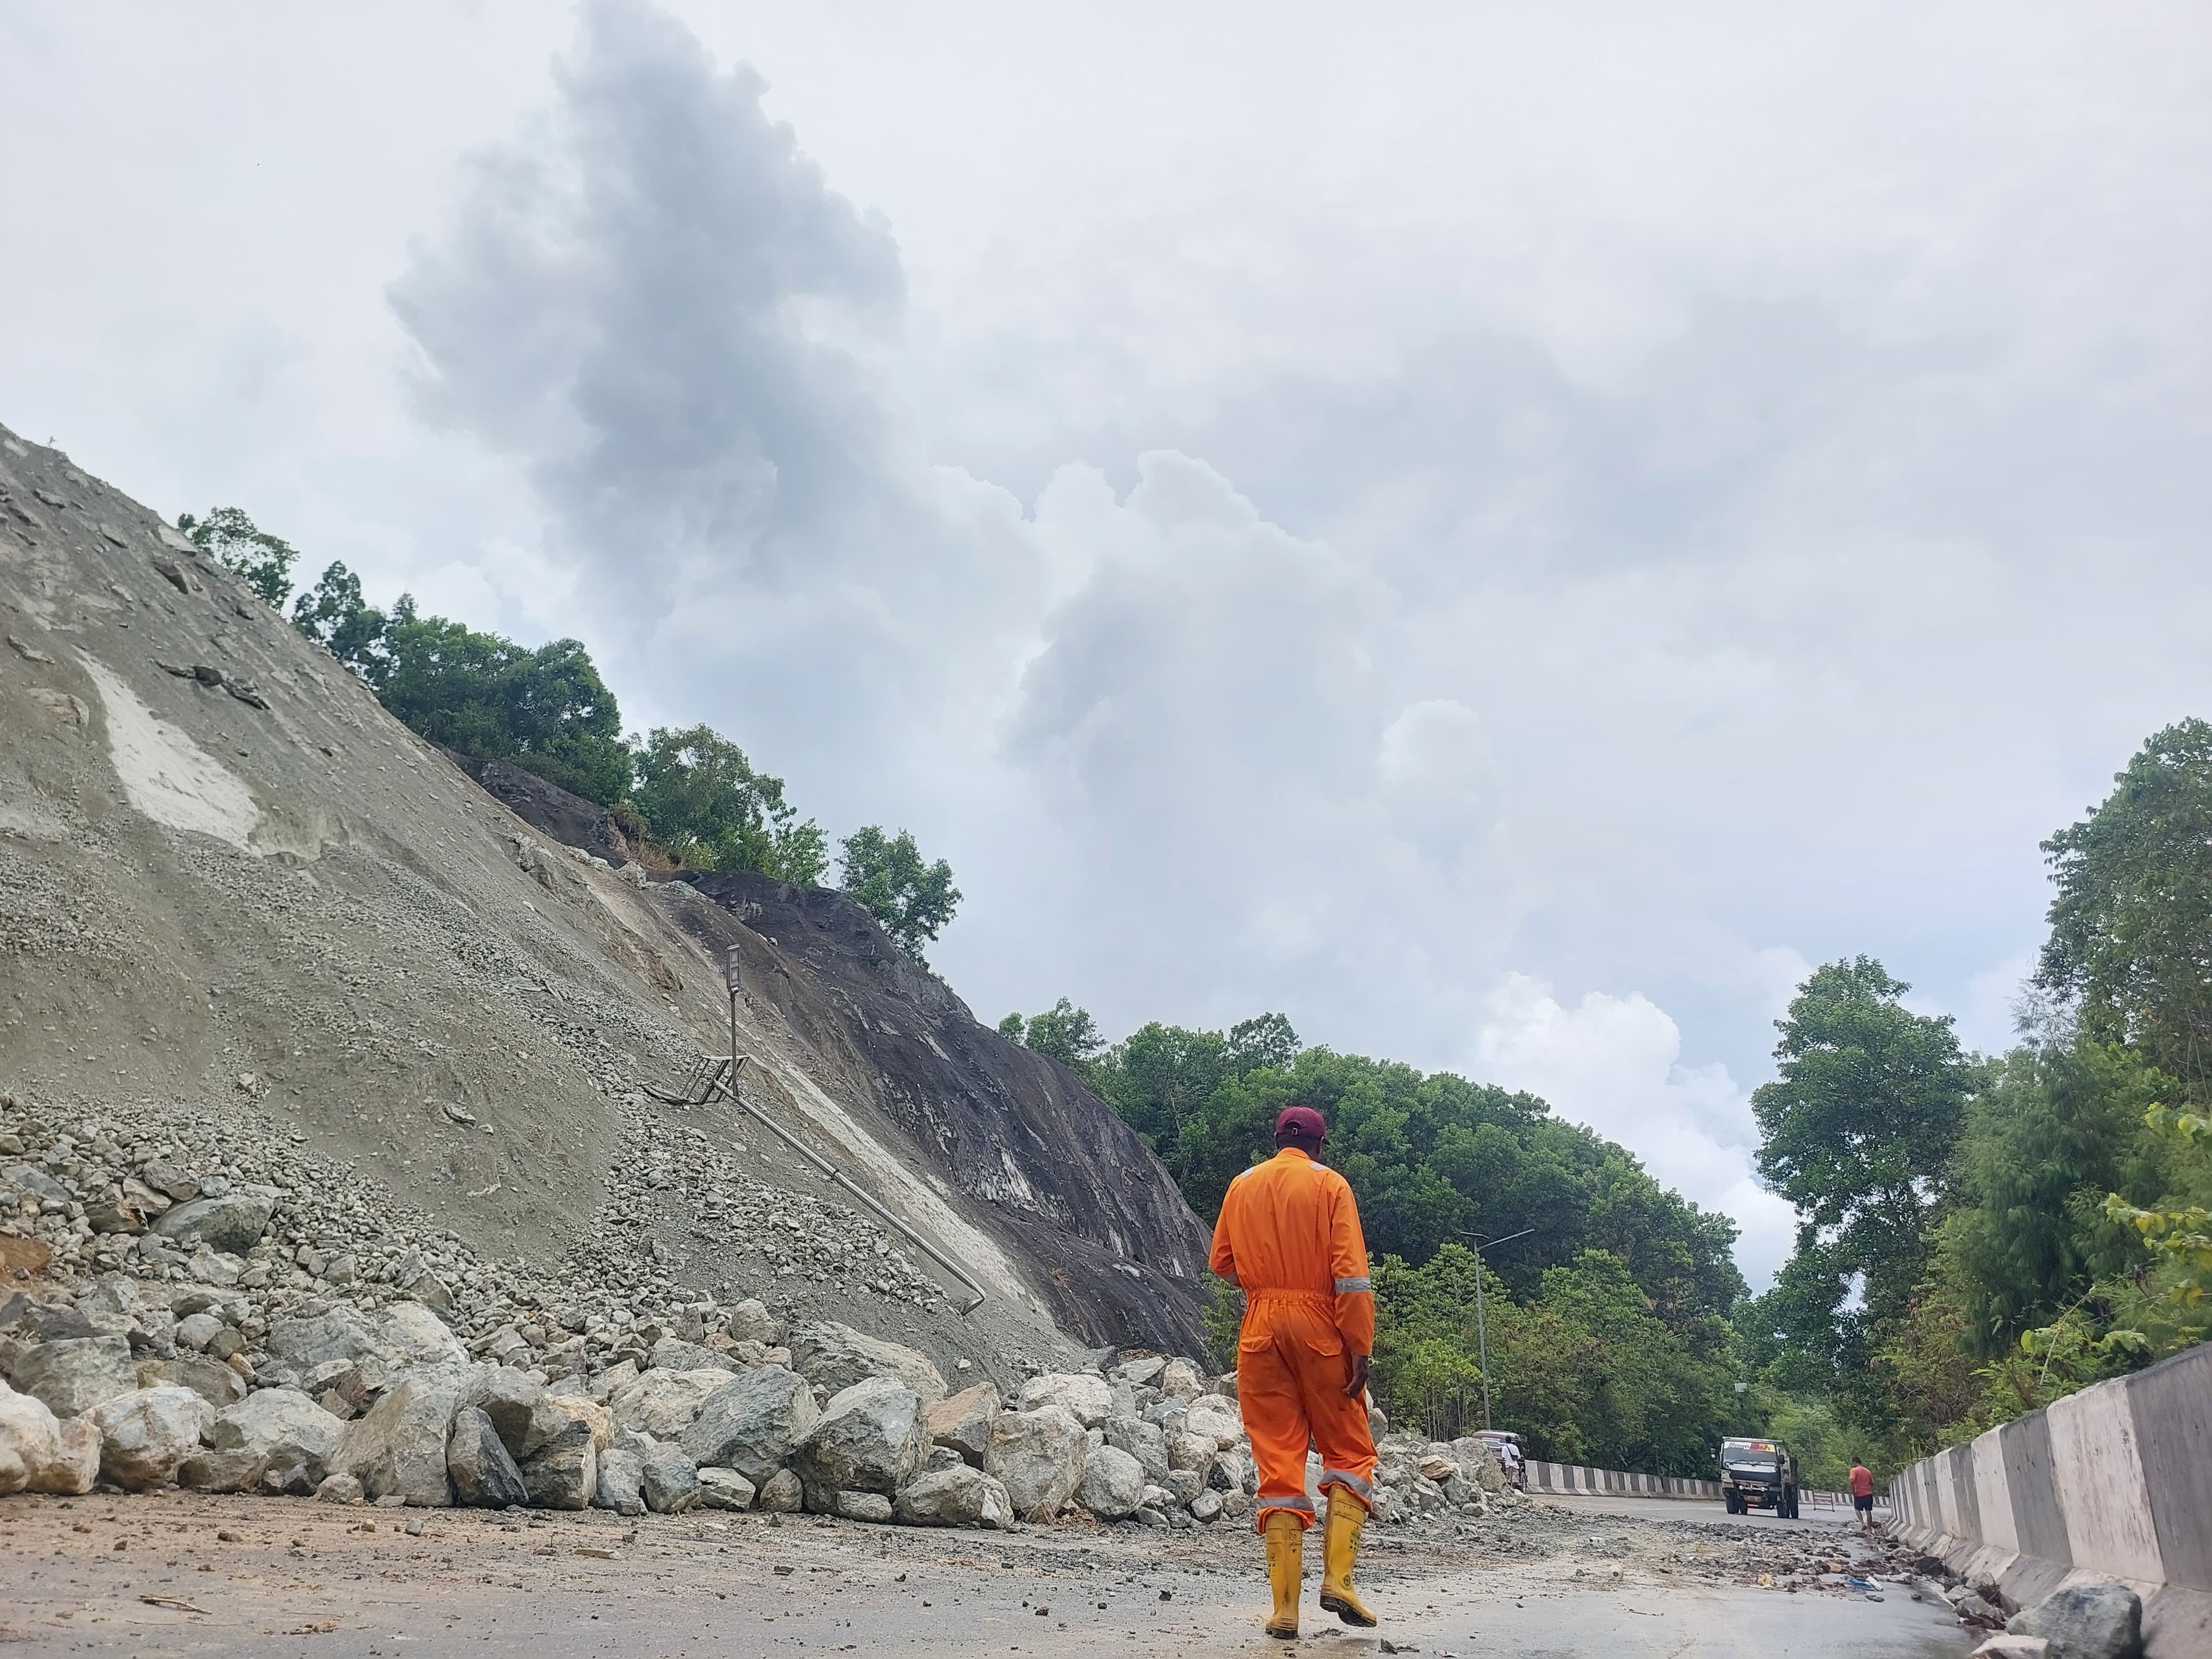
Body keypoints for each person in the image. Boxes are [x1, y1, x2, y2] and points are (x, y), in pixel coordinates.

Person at [1210, 1103, 1379, 1640]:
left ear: (1276, 1139)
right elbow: (1350, 1276)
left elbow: (1221, 1262)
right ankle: (1339, 1581)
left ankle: (1284, 1612)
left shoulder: (1242, 1184)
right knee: (1351, 1454)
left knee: (1279, 1468)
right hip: (1320, 1327)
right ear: (1319, 1144)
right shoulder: (1330, 1186)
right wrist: (1358, 1347)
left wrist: (1264, 1285)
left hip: (1260, 1330)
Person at [1849, 1458, 1876, 1532]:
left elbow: (1852, 1480)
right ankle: (1869, 1528)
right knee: (1868, 1511)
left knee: (1857, 1509)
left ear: (1855, 1462)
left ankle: (1863, 1523)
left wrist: (1853, 1490)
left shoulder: (1854, 1470)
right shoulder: (1868, 1471)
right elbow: (1872, 1483)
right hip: (1868, 1494)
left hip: (1858, 1493)